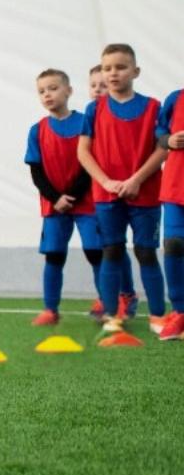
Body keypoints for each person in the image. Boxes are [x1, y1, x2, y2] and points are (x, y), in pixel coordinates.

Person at [78, 45, 167, 334]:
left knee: (146, 253)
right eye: (107, 68)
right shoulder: (95, 109)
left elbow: (162, 149)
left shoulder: (154, 107)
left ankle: (157, 316)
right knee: (112, 252)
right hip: (107, 196)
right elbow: (83, 152)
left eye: (120, 67)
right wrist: (105, 181)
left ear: (135, 71)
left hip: (146, 193)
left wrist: (137, 179)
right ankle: (112, 314)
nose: (113, 73)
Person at [25, 70, 102, 326]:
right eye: (42, 91)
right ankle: (50, 309)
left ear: (68, 91)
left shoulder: (85, 123)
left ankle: (107, 305)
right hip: (54, 206)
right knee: (55, 256)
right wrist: (56, 198)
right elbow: (36, 171)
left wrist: (73, 195)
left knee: (95, 252)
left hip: (87, 202)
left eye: (53, 88)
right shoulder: (37, 130)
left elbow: (90, 163)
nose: (47, 94)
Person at [87, 64, 138, 318]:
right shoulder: (90, 116)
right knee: (99, 249)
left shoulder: (120, 117)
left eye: (103, 85)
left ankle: (126, 295)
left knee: (114, 246)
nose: (98, 90)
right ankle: (105, 296)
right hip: (91, 194)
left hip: (112, 192)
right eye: (93, 86)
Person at [155, 89, 184, 339]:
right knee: (173, 245)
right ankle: (178, 311)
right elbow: (160, 133)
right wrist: (170, 141)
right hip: (176, 187)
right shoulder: (175, 99)